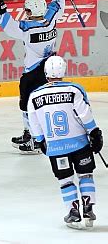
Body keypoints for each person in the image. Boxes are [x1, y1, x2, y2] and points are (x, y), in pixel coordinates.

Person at [0, 0, 66, 154]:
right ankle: (35, 134)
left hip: (33, 72)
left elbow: (8, 25)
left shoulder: (26, 28)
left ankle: (33, 138)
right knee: (42, 102)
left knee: (27, 104)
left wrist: (1, 8)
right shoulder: (53, 17)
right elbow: (59, 2)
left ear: (29, 12)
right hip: (49, 67)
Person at [27, 55, 103, 228]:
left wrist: (40, 140)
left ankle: (73, 210)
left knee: (65, 179)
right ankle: (88, 207)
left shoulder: (35, 96)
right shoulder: (74, 89)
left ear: (46, 72)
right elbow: (85, 114)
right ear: (63, 70)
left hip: (56, 147)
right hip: (80, 144)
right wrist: (94, 132)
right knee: (85, 174)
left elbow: (34, 121)